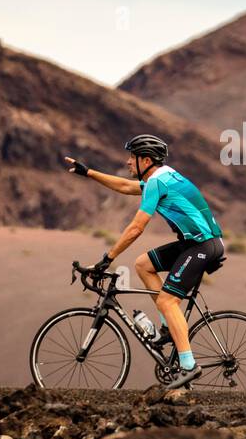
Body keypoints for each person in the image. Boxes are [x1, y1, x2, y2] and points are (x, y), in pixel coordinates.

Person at [64, 134, 224, 388]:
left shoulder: (157, 183)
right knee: (143, 264)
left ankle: (188, 365)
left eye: (132, 157)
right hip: (195, 243)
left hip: (203, 245)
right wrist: (89, 173)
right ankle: (168, 329)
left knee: (167, 300)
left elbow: (136, 228)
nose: (128, 162)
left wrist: (108, 259)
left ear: (146, 160)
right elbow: (126, 187)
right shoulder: (161, 176)